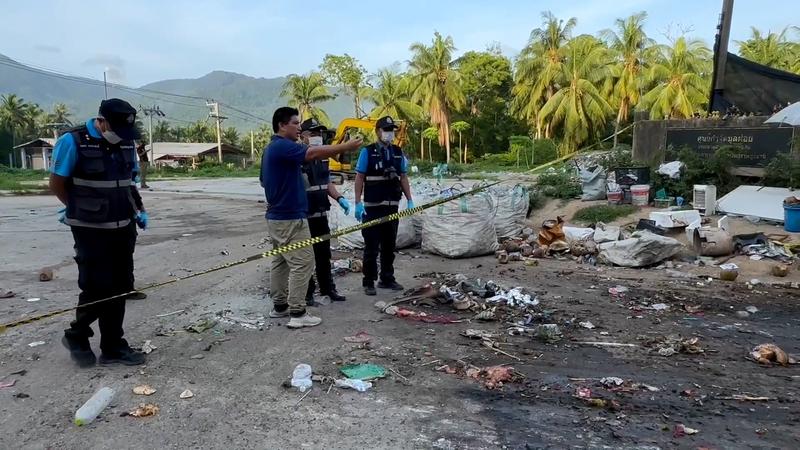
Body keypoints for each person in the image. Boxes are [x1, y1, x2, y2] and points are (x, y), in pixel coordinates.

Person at [49, 98, 149, 367]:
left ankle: (113, 345)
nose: (121, 136)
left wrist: (139, 209)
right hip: (90, 229)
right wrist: (79, 208)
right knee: (97, 286)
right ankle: (77, 334)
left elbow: (130, 182)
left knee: (121, 286)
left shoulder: (126, 141)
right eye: (115, 128)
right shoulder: (74, 141)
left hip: (123, 226)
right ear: (101, 121)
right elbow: (57, 183)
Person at [261, 107, 361, 328]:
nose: (298, 127)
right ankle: (298, 312)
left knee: (280, 262)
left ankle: (280, 307)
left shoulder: (272, 149)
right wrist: (346, 146)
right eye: (295, 123)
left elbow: (264, 180)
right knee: (303, 262)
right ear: (282, 125)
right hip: (290, 217)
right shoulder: (284, 147)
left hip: (279, 215)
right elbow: (310, 154)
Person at [354, 116, 414, 296]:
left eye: (391, 130)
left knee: (389, 246)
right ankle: (368, 281)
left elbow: (403, 177)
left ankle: (387, 278)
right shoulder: (368, 152)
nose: (389, 133)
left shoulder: (397, 152)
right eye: (386, 129)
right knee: (371, 247)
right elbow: (359, 178)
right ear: (378, 131)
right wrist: (357, 202)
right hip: (372, 207)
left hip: (391, 207)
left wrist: (409, 199)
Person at [300, 118, 349, 305]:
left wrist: (339, 198)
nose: (317, 137)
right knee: (305, 257)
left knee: (323, 255)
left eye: (319, 133)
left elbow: (326, 181)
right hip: (304, 216)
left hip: (321, 214)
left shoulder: (322, 157)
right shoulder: (299, 157)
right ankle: (307, 292)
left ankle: (328, 288)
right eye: (313, 134)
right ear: (302, 136)